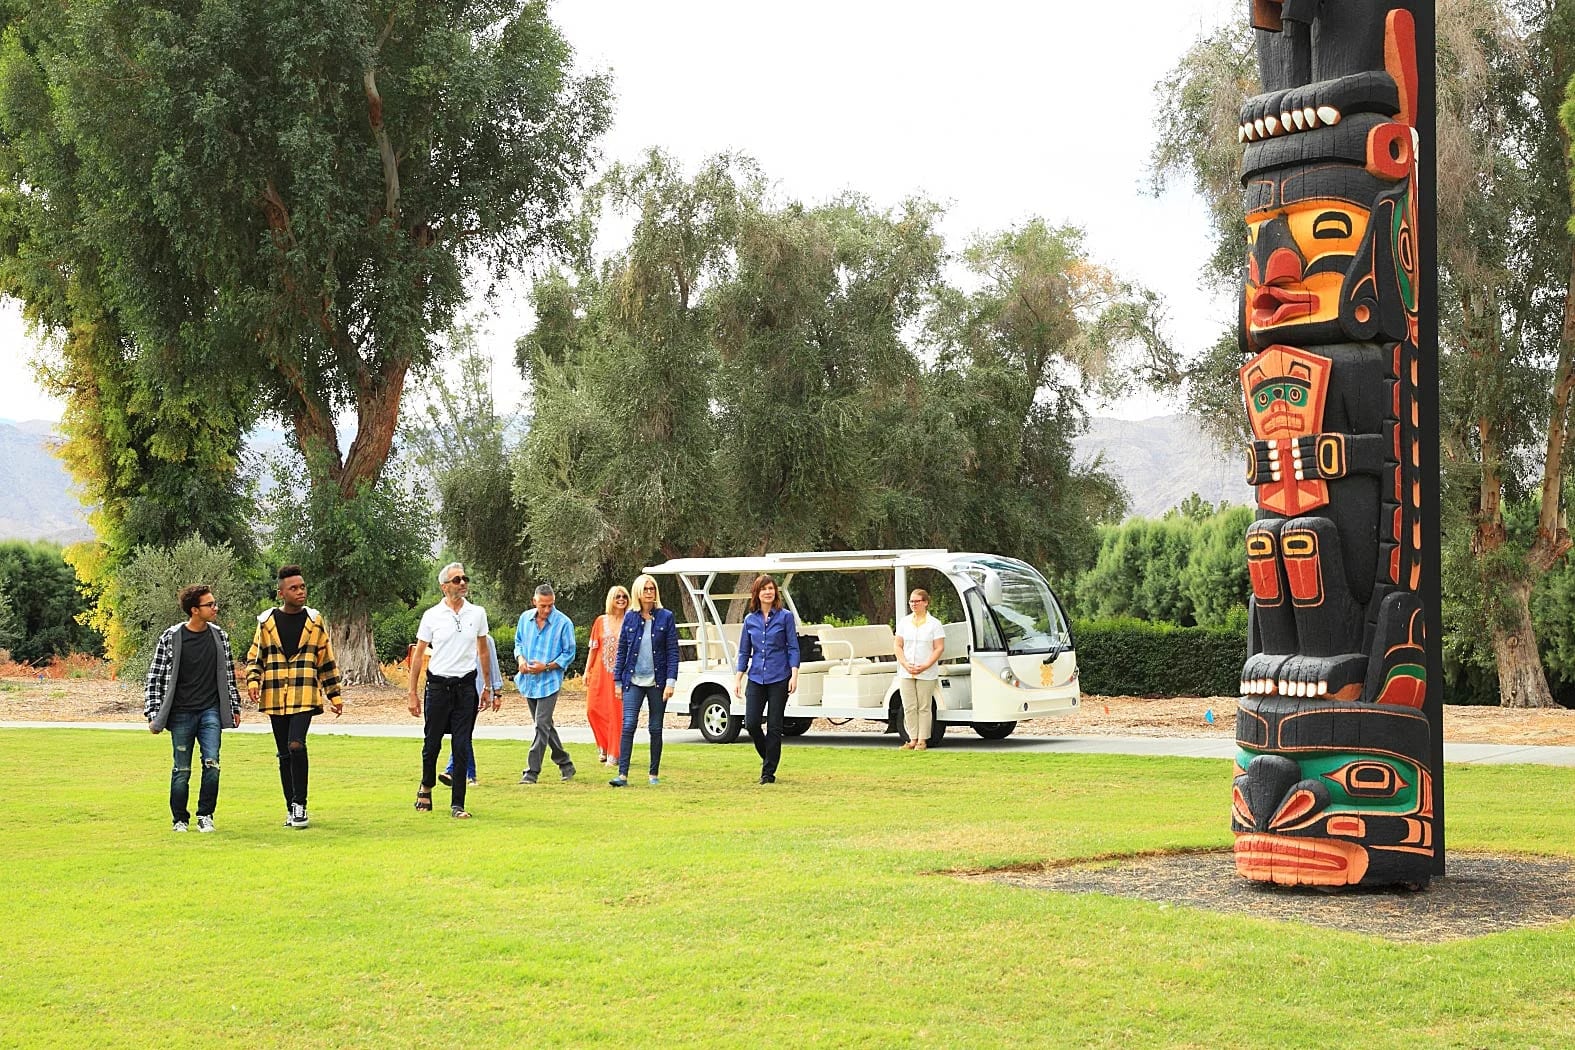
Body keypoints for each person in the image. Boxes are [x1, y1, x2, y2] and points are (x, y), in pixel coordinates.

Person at [245, 564, 344, 830]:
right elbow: (255, 656)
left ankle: (300, 805)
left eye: (302, 587)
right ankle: (290, 807)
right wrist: (253, 680)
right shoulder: (266, 622)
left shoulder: (315, 621)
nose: (300, 592)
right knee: (284, 753)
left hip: (305, 693)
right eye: (294, 588)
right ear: (281, 593)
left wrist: (334, 694)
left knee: (296, 745)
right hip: (275, 694)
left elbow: (326, 659)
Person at [143, 585, 243, 833]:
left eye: (214, 603)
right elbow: (154, 677)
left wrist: (234, 706)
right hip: (181, 714)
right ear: (194, 610)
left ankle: (205, 815)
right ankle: (180, 819)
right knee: (182, 769)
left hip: (210, 711)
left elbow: (228, 676)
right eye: (210, 604)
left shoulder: (220, 637)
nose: (215, 608)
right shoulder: (171, 637)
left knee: (212, 764)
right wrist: (153, 713)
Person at [408, 563, 497, 818]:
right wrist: (412, 692)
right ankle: (426, 786)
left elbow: (483, 651)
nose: (463, 583)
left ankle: (458, 804)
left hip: (466, 687)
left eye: (464, 578)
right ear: (444, 586)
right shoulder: (432, 615)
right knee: (432, 743)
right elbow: (418, 655)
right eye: (457, 580)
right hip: (438, 687)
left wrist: (488, 686)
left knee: (461, 745)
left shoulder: (477, 613)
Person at [611, 574, 680, 787]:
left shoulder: (666, 617)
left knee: (655, 728)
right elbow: (622, 650)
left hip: (658, 682)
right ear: (638, 592)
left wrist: (671, 682)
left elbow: (672, 651)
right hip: (632, 680)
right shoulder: (630, 618)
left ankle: (653, 774)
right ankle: (622, 775)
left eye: (652, 588)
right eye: (646, 589)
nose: (649, 592)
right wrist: (617, 681)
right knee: (628, 724)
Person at [733, 574, 799, 784]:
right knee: (751, 723)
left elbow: (793, 647)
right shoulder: (749, 620)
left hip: (780, 676)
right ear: (757, 593)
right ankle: (769, 757)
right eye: (764, 589)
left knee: (774, 726)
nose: (768, 592)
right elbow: (744, 651)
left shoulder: (785, 617)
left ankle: (768, 773)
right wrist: (738, 677)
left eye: (771, 588)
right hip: (756, 677)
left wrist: (794, 674)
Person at [515, 582, 577, 785]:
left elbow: (569, 653)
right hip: (529, 681)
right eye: (543, 605)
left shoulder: (564, 623)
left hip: (550, 681)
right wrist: (521, 660)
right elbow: (518, 643)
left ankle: (531, 772)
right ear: (534, 602)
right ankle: (565, 763)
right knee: (546, 725)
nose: (547, 609)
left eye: (551, 605)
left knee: (541, 724)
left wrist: (547, 666)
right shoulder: (524, 619)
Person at [440, 634, 502, 787]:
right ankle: (467, 774)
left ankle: (455, 771)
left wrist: (496, 693)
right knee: (463, 733)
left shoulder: (486, 640)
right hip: (455, 691)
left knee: (463, 732)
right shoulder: (455, 637)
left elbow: (493, 666)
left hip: (476, 693)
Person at [894, 588, 947, 750]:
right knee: (909, 706)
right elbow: (898, 645)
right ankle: (912, 739)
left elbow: (939, 648)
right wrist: (904, 663)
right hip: (906, 671)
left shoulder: (934, 624)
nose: (913, 604)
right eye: (911, 601)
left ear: (925, 602)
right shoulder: (904, 622)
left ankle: (922, 740)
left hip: (926, 671)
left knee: (924, 706)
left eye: (917, 601)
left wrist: (925, 665)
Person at [584, 585, 629, 765]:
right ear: (611, 599)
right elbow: (593, 648)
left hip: (620, 673)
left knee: (616, 713)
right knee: (592, 709)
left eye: (624, 596)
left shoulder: (630, 620)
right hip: (599, 671)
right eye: (618, 596)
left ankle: (614, 752)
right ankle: (602, 744)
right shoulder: (600, 621)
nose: (621, 599)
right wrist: (587, 670)